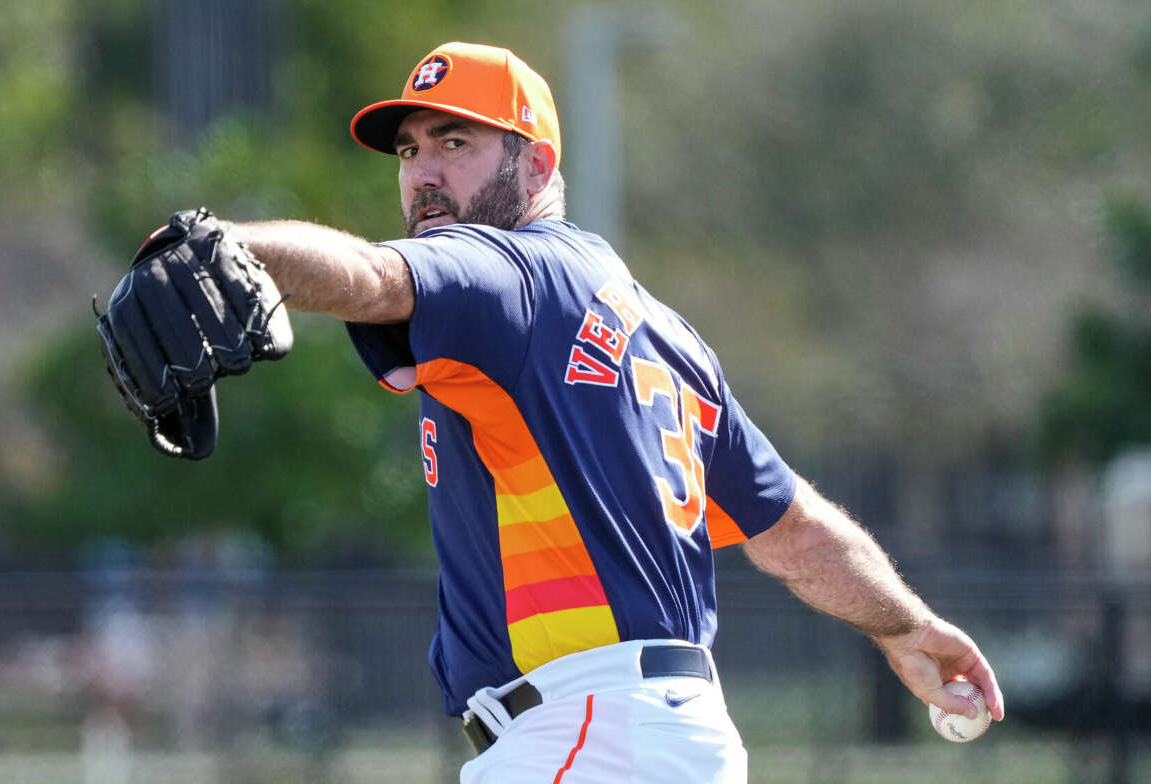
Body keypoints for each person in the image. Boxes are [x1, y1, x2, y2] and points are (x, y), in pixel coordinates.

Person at [219, 41, 1004, 782]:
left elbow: (371, 274)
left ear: (538, 166)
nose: (423, 172)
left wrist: (224, 250)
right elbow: (793, 530)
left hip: (588, 731)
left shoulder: (513, 274)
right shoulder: (664, 335)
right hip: (662, 735)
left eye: (455, 144)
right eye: (410, 150)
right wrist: (905, 626)